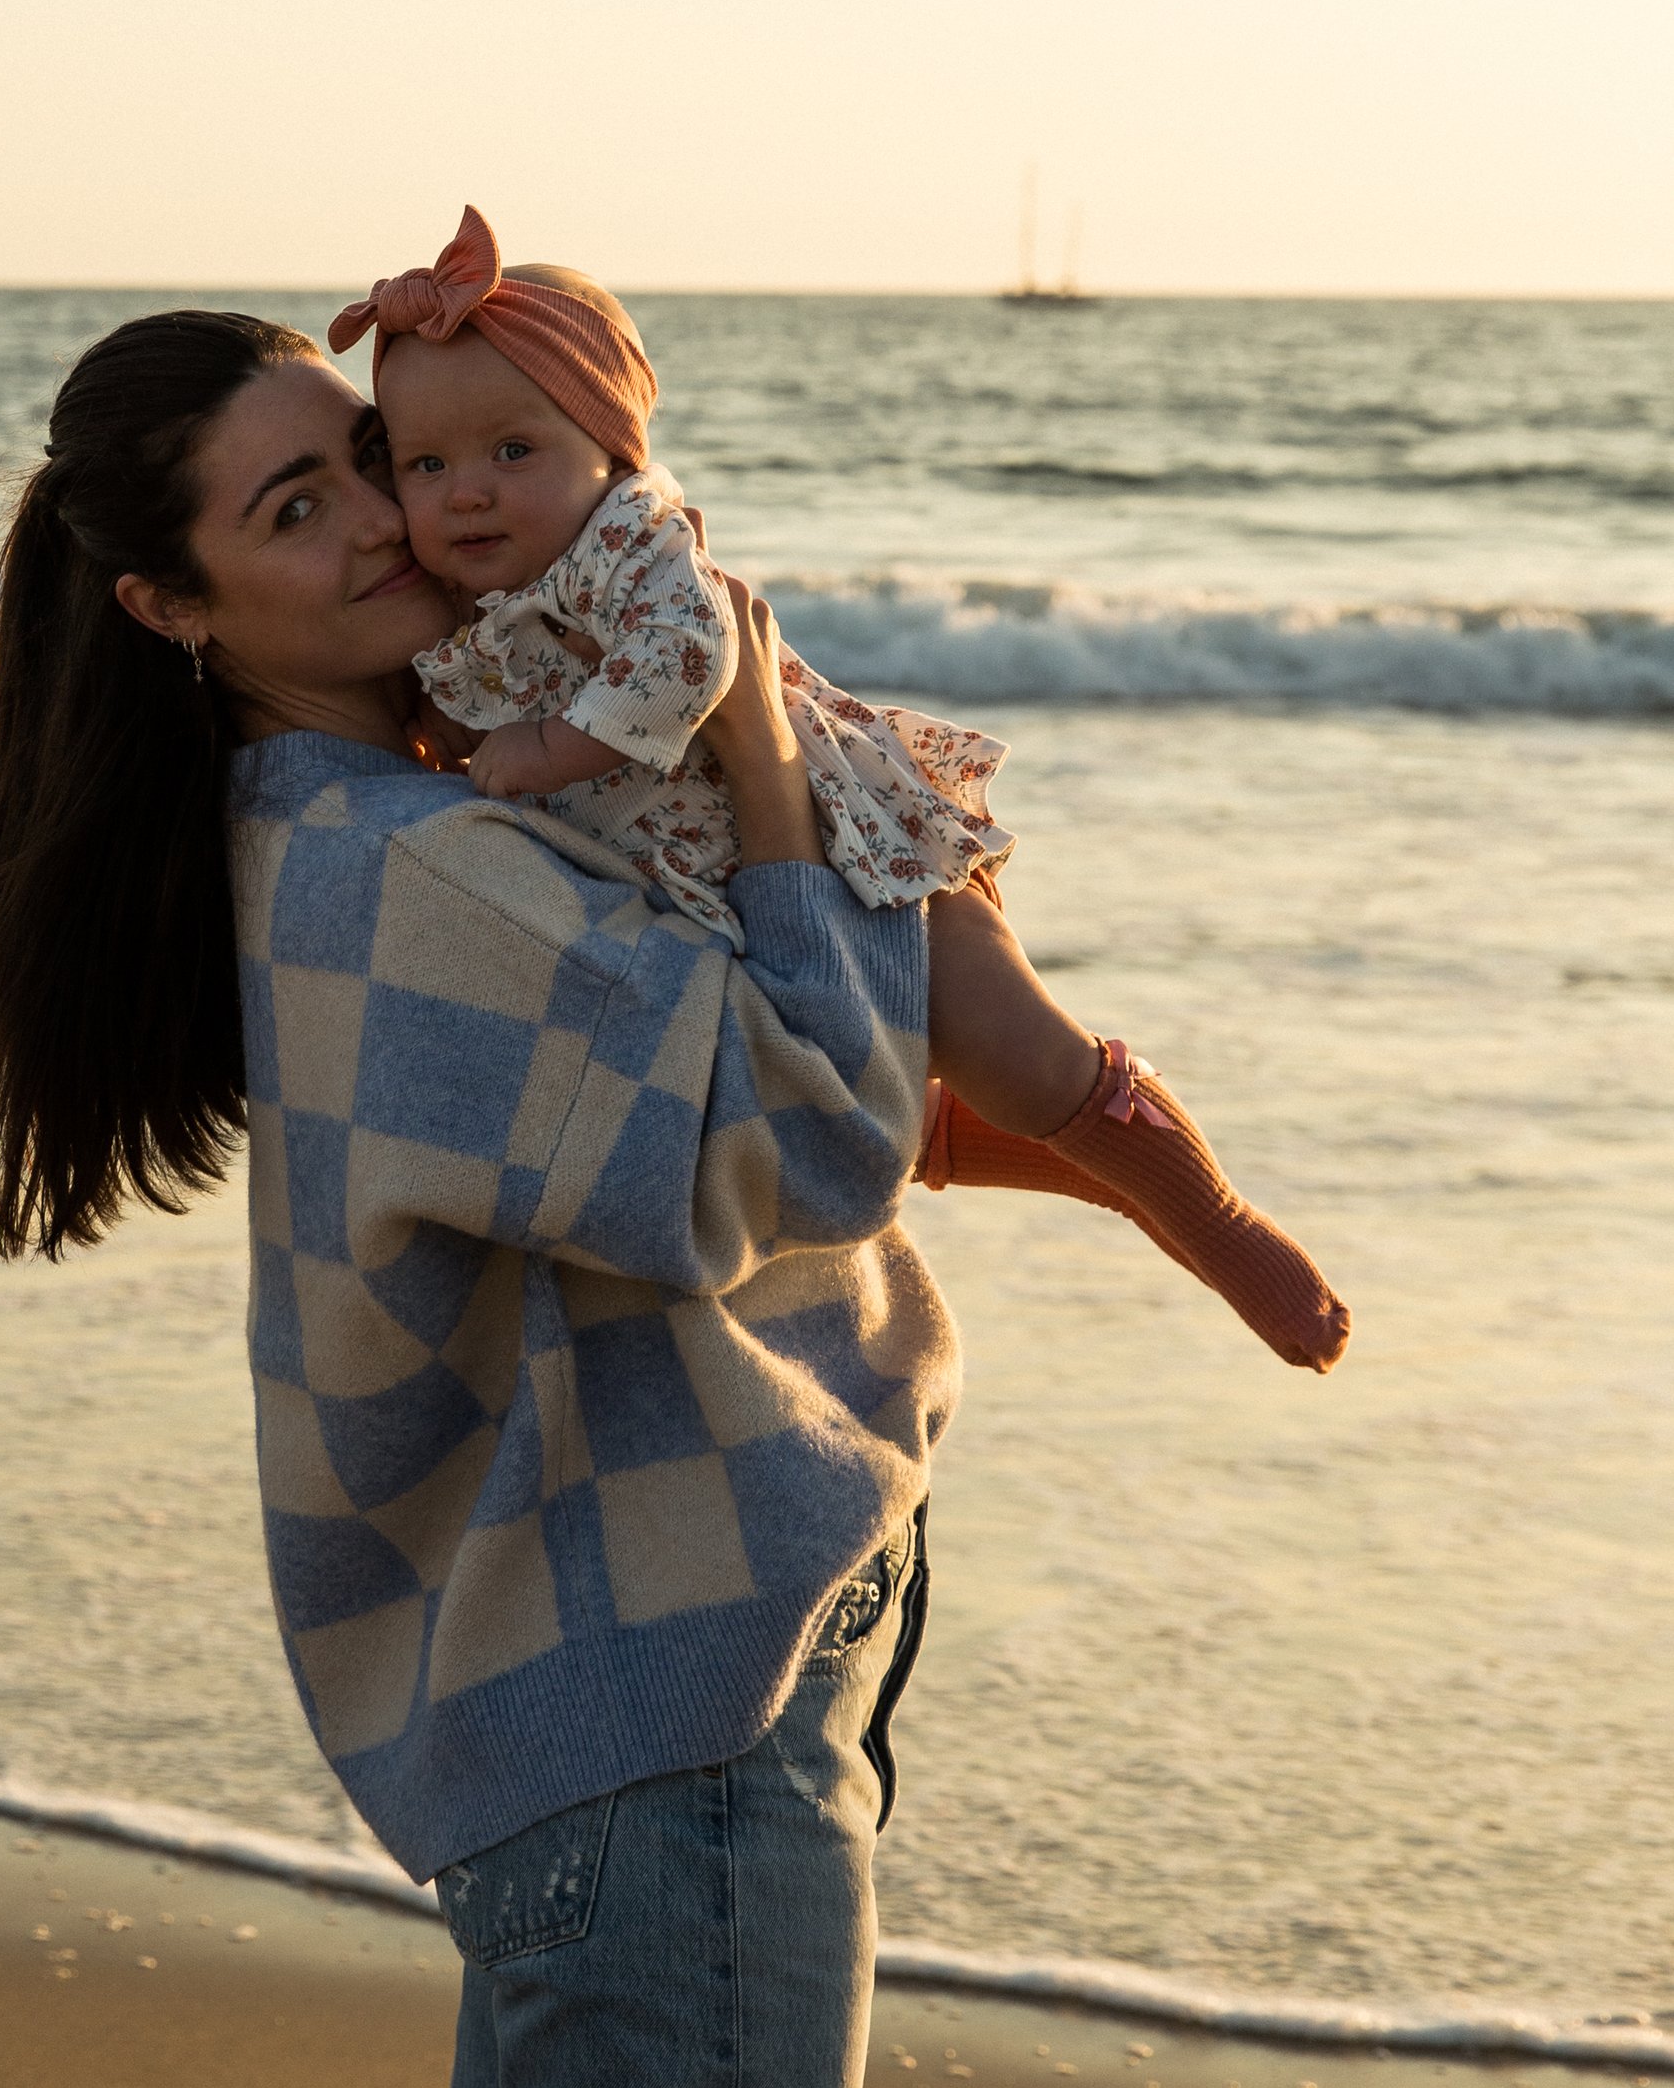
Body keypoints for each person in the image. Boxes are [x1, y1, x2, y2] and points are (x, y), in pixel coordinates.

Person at [0, 306, 955, 2088]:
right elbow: (822, 1142)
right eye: (293, 508)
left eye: (371, 462)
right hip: (657, 1721)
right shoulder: (417, 874)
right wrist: (745, 745)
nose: (393, 524)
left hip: (564, 1730)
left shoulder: (332, 839)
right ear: (168, 605)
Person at [334, 208, 1350, 1379]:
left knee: (1025, 1060)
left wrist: (561, 746)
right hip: (716, 895)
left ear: (610, 449)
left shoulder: (629, 539)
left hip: (855, 847)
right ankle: (1094, 1174)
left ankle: (1211, 1218)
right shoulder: (459, 602)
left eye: (514, 451)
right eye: (427, 465)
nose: (467, 494)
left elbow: (695, 648)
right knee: (844, 1095)